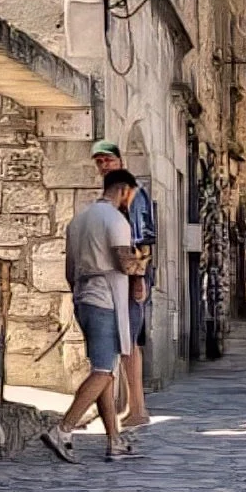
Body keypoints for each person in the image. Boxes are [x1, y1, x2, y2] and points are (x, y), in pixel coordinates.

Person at [45, 168, 140, 465]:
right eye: (131, 196)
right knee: (103, 371)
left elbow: (69, 270)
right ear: (124, 190)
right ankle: (63, 429)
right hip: (105, 300)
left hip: (84, 297)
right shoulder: (115, 220)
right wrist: (142, 266)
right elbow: (125, 264)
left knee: (106, 372)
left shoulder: (78, 221)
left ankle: (114, 440)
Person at [90, 138, 155, 430]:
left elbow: (142, 238)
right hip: (116, 276)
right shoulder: (113, 194)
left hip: (131, 276)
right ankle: (134, 406)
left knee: (129, 340)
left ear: (120, 161)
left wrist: (138, 279)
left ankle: (138, 407)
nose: (104, 166)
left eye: (108, 160)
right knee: (125, 340)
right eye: (100, 162)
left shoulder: (132, 193)